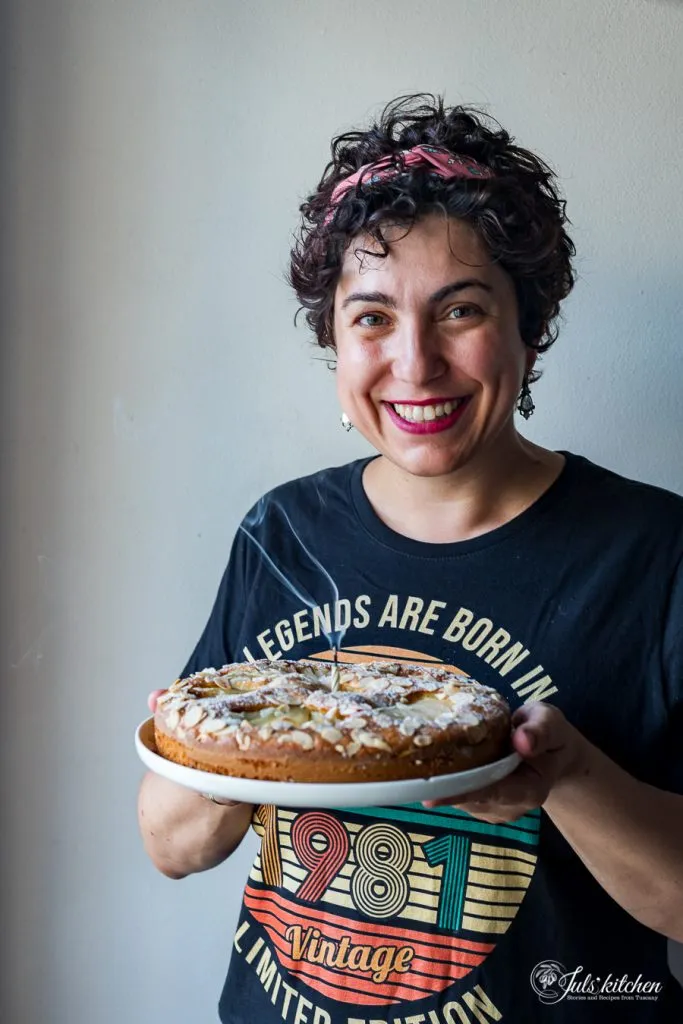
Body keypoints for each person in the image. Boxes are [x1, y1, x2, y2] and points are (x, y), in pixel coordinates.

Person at [137, 94, 683, 1023]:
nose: (415, 363)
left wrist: (569, 774)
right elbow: (172, 845)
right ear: (332, 340)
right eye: (372, 317)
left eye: (460, 309)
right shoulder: (282, 535)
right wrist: (258, 752)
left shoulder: (651, 553)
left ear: (528, 325)